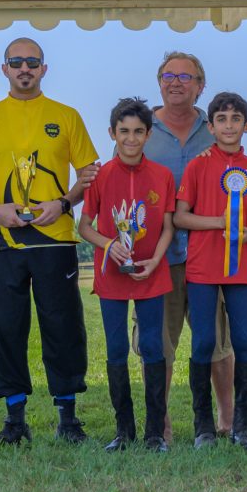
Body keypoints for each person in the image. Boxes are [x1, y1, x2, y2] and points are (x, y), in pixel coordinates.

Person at [0, 38, 99, 446]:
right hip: (2, 243)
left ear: (44, 69)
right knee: (6, 329)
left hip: (55, 241)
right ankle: (15, 420)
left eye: (32, 62)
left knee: (63, 326)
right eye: (16, 62)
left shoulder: (66, 116)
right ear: (4, 69)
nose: (24, 68)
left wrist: (63, 202)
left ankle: (68, 419)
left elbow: (89, 172)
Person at [141, 52, 235, 441]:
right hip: (157, 258)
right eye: (168, 75)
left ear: (201, 85)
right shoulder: (141, 129)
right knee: (158, 345)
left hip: (207, 256)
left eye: (185, 76)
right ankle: (160, 424)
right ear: (159, 82)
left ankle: (228, 419)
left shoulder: (214, 128)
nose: (176, 82)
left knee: (217, 342)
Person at [175, 92, 247, 450]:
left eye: (236, 119)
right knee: (203, 342)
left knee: (244, 342)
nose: (229, 126)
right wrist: (218, 222)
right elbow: (180, 217)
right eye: (222, 119)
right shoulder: (198, 166)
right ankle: (203, 426)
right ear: (211, 126)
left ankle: (242, 426)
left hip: (241, 269)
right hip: (202, 267)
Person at [79, 98, 176, 452]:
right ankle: (124, 431)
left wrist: (156, 260)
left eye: (138, 132)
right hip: (112, 276)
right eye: (124, 131)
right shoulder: (100, 176)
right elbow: (84, 227)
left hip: (151, 273)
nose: (131, 139)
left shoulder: (162, 176)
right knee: (117, 348)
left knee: (152, 347)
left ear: (148, 134)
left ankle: (154, 434)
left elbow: (168, 227)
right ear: (112, 133)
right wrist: (109, 245)